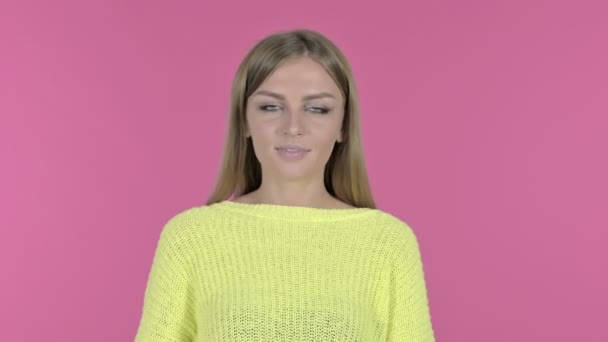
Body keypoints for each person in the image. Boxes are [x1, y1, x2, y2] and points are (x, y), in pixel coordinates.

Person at [135, 28, 435, 341]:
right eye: (271, 107)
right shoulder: (190, 237)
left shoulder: (387, 242)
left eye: (317, 109)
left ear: (343, 126)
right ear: (245, 121)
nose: (293, 127)